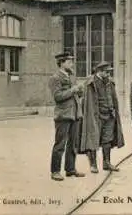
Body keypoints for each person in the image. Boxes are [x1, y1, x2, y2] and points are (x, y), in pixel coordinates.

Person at [79, 61, 125, 173]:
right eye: (106, 72)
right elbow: (85, 101)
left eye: (109, 72)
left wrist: (114, 110)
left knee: (107, 139)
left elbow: (113, 98)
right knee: (93, 139)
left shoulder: (109, 82)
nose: (109, 74)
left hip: (109, 115)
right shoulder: (90, 83)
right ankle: (93, 164)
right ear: (99, 71)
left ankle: (106, 162)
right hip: (96, 116)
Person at [48, 52, 85, 181]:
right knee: (60, 144)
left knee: (73, 144)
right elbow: (57, 97)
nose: (72, 64)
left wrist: (80, 91)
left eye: (72, 61)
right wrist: (73, 90)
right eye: (69, 62)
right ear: (61, 63)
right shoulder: (55, 78)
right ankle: (55, 171)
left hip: (75, 114)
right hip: (63, 115)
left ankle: (70, 169)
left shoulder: (72, 76)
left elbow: (76, 95)